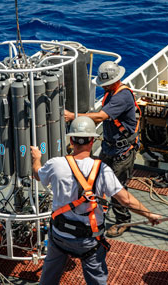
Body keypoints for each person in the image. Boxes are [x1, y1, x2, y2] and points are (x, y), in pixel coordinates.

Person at [31, 116, 161, 285]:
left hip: (60, 235)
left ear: (71, 140)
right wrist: (149, 214)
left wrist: (36, 158)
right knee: (97, 280)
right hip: (89, 240)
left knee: (49, 276)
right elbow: (126, 200)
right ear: (92, 141)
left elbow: (37, 174)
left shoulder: (56, 164)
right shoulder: (102, 170)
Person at [64, 61, 141, 238]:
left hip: (122, 152)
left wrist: (72, 117)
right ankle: (96, 211)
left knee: (116, 188)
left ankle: (123, 221)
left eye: (106, 83)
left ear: (115, 80)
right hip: (109, 147)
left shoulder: (122, 97)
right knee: (95, 179)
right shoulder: (111, 93)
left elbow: (101, 116)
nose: (103, 86)